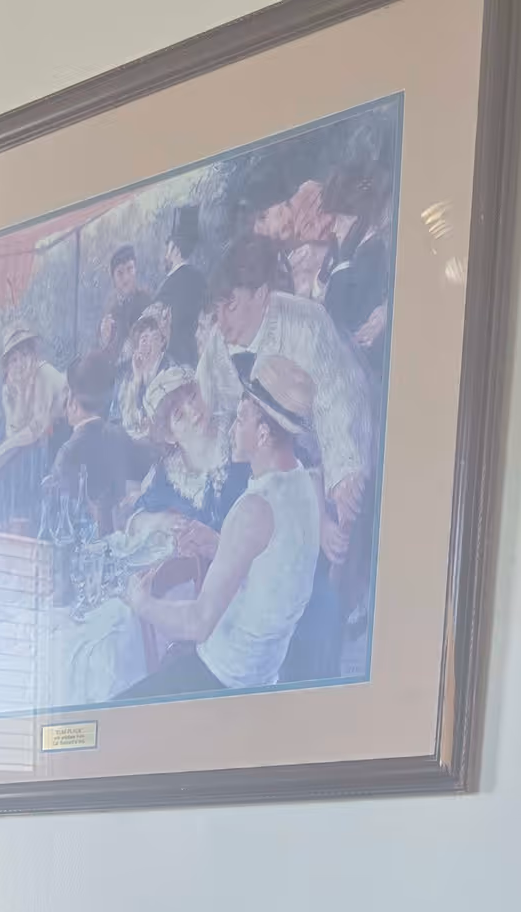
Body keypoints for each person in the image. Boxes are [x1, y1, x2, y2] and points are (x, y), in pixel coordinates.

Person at [124, 353, 323, 696]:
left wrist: (142, 604)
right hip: (264, 668)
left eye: (240, 419)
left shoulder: (253, 507)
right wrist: (218, 543)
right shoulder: (303, 483)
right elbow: (269, 561)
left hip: (225, 676)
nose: (230, 427)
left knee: (120, 713)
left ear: (262, 434)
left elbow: (198, 623)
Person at [195, 232, 372, 570]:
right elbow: (209, 410)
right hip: (259, 473)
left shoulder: (306, 322)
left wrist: (344, 473)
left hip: (316, 465)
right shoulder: (218, 347)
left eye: (231, 306)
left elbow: (339, 394)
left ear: (262, 295)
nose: (221, 321)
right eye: (216, 309)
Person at [129, 366, 248, 541]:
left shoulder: (237, 434)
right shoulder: (171, 475)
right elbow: (136, 520)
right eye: (179, 415)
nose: (193, 411)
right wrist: (163, 521)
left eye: (193, 397)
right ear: (169, 435)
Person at [0, 325, 69, 532]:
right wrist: (13, 401)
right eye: (13, 360)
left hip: (63, 440)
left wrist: (3, 448)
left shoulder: (43, 373)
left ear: (33, 356)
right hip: (41, 449)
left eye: (24, 356)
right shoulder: (12, 388)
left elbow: (37, 428)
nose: (20, 364)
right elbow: (15, 432)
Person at [43, 351, 145, 533]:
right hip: (116, 541)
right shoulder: (119, 435)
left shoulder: (68, 453)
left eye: (67, 391)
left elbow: (57, 518)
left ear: (73, 402)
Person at [322, 163, 394, 373]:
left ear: (359, 219)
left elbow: (340, 319)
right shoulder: (357, 253)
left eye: (340, 220)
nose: (334, 229)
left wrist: (342, 261)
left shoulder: (370, 254)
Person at [156, 203, 208, 363]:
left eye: (168, 249)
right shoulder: (201, 279)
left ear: (176, 250)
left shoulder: (167, 288)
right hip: (197, 358)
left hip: (173, 361)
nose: (166, 254)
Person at [115, 303, 174, 443]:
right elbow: (119, 418)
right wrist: (137, 379)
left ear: (162, 343)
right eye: (144, 339)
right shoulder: (126, 373)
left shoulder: (171, 370)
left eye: (154, 338)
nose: (148, 345)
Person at [99, 245, 150, 355]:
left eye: (130, 269)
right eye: (120, 273)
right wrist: (104, 340)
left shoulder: (146, 301)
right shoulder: (110, 309)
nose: (126, 278)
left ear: (136, 270)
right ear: (113, 279)